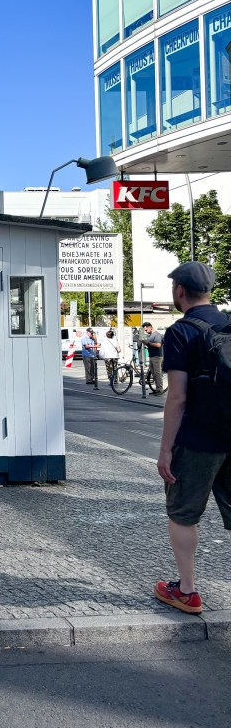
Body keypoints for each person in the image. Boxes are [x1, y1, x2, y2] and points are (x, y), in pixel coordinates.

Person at [155, 262, 231, 616]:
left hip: (198, 440)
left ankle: (186, 592)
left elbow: (177, 397)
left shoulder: (181, 331)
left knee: (184, 515)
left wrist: (165, 450)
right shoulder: (228, 324)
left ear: (180, 291)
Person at [141, 321, 165, 395]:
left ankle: (160, 390)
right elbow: (148, 343)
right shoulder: (150, 335)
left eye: (146, 330)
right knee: (154, 373)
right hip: (152, 356)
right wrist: (144, 341)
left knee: (157, 373)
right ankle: (157, 389)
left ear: (150, 327)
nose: (145, 331)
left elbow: (158, 345)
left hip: (157, 356)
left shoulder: (156, 335)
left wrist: (148, 343)